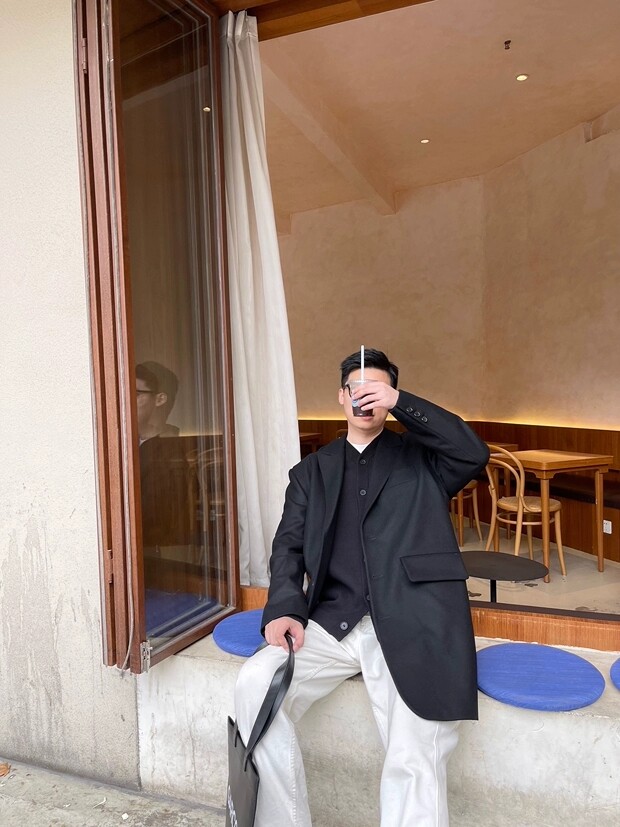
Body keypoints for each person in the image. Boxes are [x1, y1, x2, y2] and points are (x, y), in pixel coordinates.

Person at [233, 348, 490, 827]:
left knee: (415, 750)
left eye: (378, 390)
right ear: (341, 397)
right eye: (356, 389)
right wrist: (285, 607)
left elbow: (473, 452)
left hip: (413, 620)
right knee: (255, 685)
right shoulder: (312, 472)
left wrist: (402, 402)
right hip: (332, 624)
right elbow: (288, 547)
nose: (365, 398)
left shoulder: (424, 460)